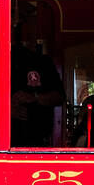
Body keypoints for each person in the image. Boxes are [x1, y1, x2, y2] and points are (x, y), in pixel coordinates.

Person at [10, 11, 65, 148]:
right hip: (3, 140)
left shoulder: (42, 62)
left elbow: (59, 97)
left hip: (37, 140)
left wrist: (34, 97)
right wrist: (5, 110)